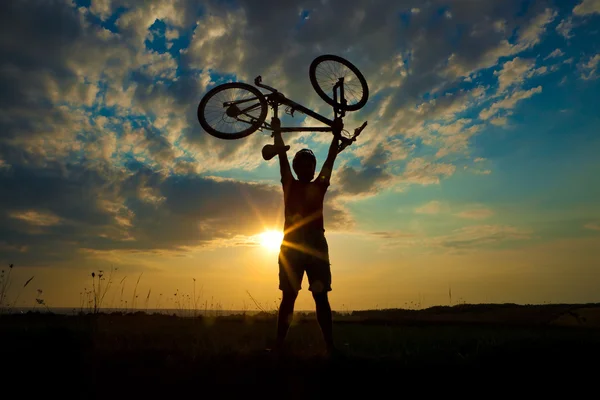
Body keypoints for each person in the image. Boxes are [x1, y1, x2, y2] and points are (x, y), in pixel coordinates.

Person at [270, 119, 341, 356]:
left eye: (309, 164)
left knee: (321, 298)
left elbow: (331, 159)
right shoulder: (289, 183)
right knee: (288, 298)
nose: (306, 168)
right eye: (301, 164)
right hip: (292, 247)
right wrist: (277, 133)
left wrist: (336, 135)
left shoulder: (320, 184)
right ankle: (279, 346)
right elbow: (281, 159)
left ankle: (330, 347)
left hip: (315, 245)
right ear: (297, 167)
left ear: (313, 168)